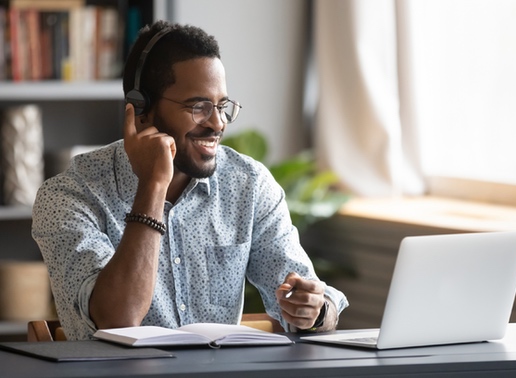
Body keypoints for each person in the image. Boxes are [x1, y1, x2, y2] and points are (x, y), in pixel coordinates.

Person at [32, 20, 348, 341]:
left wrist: (316, 309)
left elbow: (310, 300)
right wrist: (153, 185)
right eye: (198, 107)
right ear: (141, 110)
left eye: (222, 106)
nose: (217, 123)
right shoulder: (69, 195)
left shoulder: (248, 185)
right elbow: (117, 319)